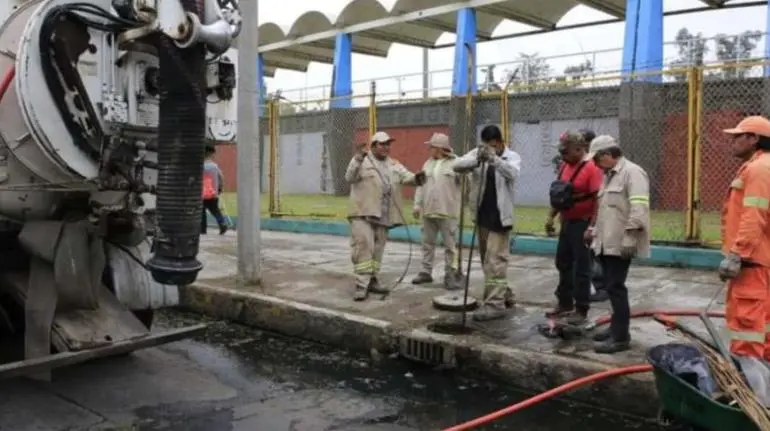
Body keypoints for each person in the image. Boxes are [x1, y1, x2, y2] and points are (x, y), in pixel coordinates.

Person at [345, 131, 426, 301]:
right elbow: (349, 177)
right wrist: (358, 157)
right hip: (362, 213)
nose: (386, 147)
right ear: (373, 145)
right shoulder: (362, 161)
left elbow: (407, 177)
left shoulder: (394, 164)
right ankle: (361, 286)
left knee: (378, 251)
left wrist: (418, 178)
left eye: (388, 144)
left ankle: (373, 280)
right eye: (382, 144)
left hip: (383, 215)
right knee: (363, 249)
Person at [588, 135, 650, 354]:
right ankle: (616, 329)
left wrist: (630, 238)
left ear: (607, 155)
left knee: (616, 288)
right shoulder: (609, 176)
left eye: (596, 159)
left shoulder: (632, 173)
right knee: (611, 286)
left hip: (620, 243)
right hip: (607, 242)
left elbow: (639, 209)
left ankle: (621, 337)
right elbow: (606, 211)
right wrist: (594, 232)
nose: (595, 164)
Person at [453, 125, 522, 321]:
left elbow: (513, 174)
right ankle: (504, 294)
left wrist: (494, 160)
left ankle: (494, 305)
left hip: (500, 217)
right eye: (486, 146)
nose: (489, 149)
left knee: (496, 261)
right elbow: (457, 165)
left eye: (493, 146)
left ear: (500, 143)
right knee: (487, 261)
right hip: (482, 215)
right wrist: (477, 159)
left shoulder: (512, 157)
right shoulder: (478, 153)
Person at [719, 116, 770, 360]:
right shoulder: (763, 166)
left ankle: (749, 388)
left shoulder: (759, 169)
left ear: (754, 138)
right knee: (764, 324)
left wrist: (738, 254)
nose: (732, 142)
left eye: (737, 137)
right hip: (762, 260)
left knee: (747, 328)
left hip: (752, 263)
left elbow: (753, 215)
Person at [544, 131, 604, 325]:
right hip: (567, 221)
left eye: (566, 151)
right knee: (563, 263)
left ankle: (581, 308)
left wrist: (592, 227)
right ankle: (565, 303)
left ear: (580, 149)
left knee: (582, 267)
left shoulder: (592, 168)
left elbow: (598, 200)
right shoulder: (564, 166)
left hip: (583, 223)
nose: (562, 155)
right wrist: (550, 217)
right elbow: (560, 194)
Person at [412, 133, 463, 290]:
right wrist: (417, 204)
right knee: (427, 243)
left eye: (432, 146)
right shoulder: (427, 163)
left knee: (450, 246)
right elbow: (421, 184)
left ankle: (451, 275)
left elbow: (465, 181)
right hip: (428, 211)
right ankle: (425, 272)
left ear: (440, 148)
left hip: (448, 211)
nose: (429, 149)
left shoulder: (457, 163)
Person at [576, 129, 608, 303]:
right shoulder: (587, 162)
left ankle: (602, 286)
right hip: (589, 214)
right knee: (591, 252)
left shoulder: (595, 164)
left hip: (599, 214)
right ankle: (596, 285)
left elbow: (597, 193)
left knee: (598, 252)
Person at [201, 144, 228, 235]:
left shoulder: (201, 166)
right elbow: (221, 177)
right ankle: (222, 223)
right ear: (211, 154)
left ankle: (202, 229)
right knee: (216, 210)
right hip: (213, 193)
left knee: (201, 211)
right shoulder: (215, 166)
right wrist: (220, 187)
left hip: (201, 194)